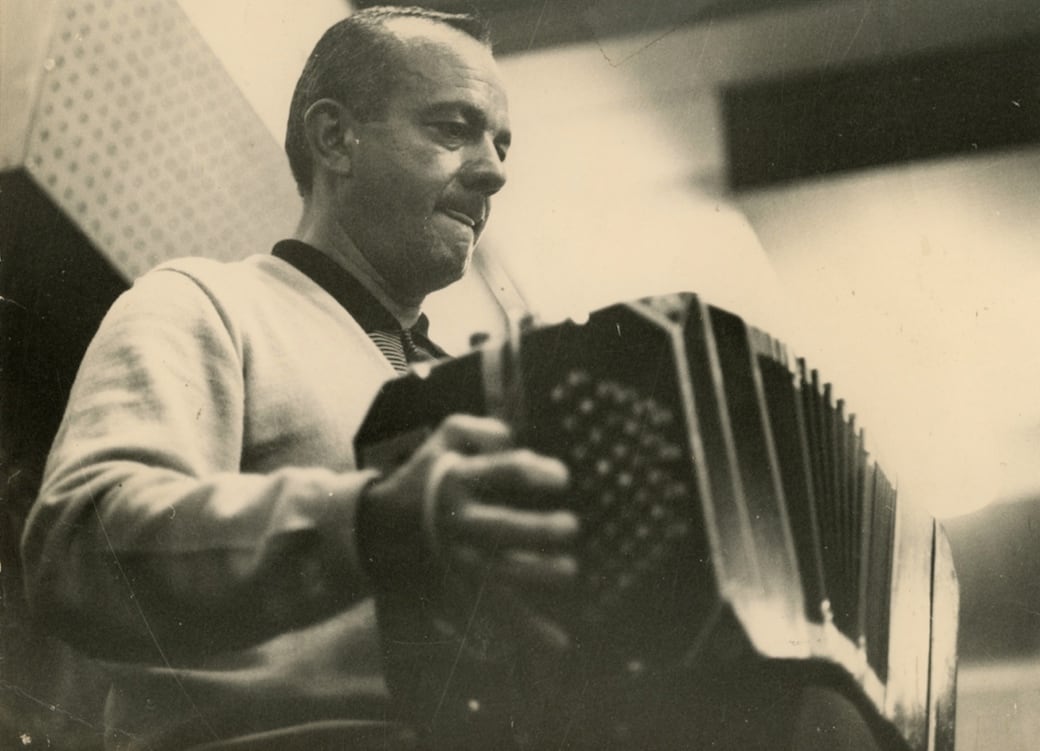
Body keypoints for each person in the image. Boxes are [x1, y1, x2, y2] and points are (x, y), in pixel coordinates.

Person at [20, 7, 578, 750]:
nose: (496, 170)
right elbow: (79, 547)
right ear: (334, 138)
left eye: (501, 143)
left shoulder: (471, 385)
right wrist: (373, 521)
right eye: (454, 128)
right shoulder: (204, 302)